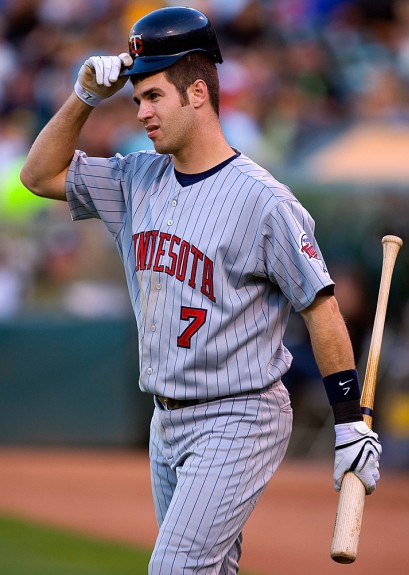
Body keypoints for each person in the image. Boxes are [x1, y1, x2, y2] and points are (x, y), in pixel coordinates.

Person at [20, 6, 381, 575]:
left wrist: (348, 423)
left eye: (153, 96)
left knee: (175, 569)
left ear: (196, 93)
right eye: (136, 98)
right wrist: (84, 98)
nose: (141, 112)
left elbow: (321, 307)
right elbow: (37, 176)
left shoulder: (264, 201)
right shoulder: (136, 180)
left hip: (240, 416)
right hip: (166, 420)